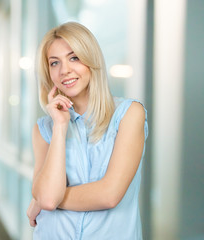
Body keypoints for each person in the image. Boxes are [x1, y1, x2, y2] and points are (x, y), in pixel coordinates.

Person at [26, 21, 148, 239]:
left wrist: (44, 200)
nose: (65, 70)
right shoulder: (44, 128)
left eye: (74, 58)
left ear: (91, 60)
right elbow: (46, 198)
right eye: (54, 63)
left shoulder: (129, 114)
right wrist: (60, 127)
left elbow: (109, 195)